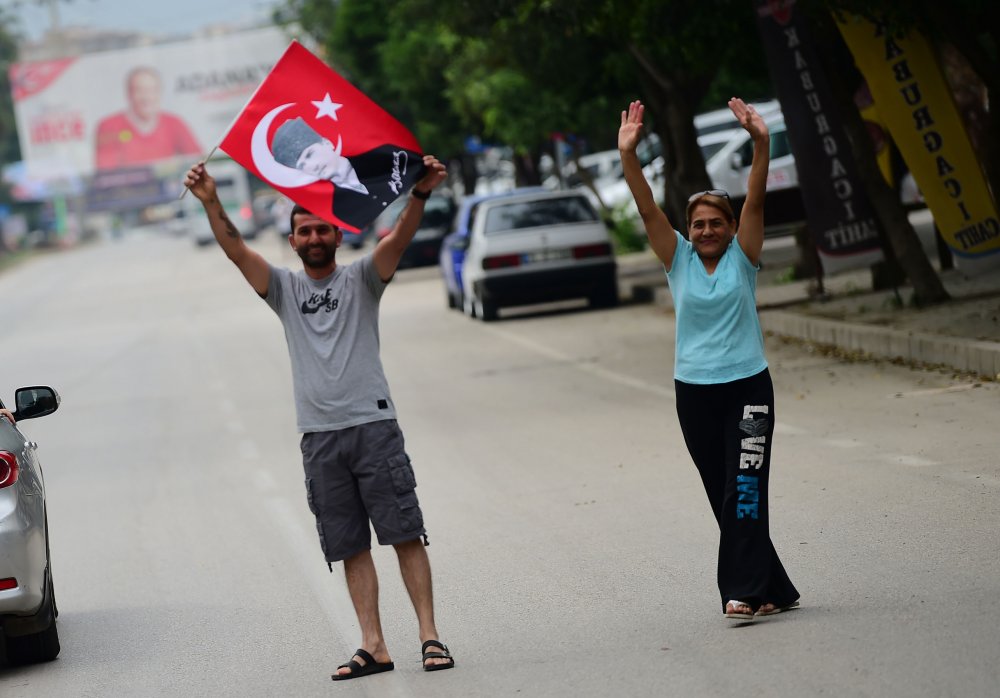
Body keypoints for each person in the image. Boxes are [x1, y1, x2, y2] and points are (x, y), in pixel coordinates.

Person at [183, 155, 456, 679]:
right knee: (350, 544)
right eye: (304, 230)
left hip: (373, 427)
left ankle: (430, 637)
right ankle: (373, 645)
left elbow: (399, 237)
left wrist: (419, 194)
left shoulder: (363, 279)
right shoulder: (284, 290)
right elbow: (237, 250)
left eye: (321, 228)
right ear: (292, 241)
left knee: (404, 532)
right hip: (319, 439)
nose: (313, 236)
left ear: (337, 234)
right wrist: (211, 200)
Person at [618, 98, 800, 621]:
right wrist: (629, 156)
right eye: (697, 224)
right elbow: (647, 205)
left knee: (743, 489)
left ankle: (739, 591)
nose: (705, 231)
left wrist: (761, 143)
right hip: (694, 393)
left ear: (730, 225)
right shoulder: (677, 260)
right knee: (725, 495)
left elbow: (758, 201)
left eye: (714, 222)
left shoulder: (744, 258)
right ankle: (774, 587)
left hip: (748, 388)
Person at [269, 116, 423, 231]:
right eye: (302, 165)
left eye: (310, 154)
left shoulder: (380, 159)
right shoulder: (337, 208)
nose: (312, 165)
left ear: (326, 143)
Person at [95, 66, 202, 170]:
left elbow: (198, 161)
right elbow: (106, 173)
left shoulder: (175, 123)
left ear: (159, 93)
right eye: (139, 90)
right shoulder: (109, 126)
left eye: (151, 90)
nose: (146, 97)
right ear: (129, 94)